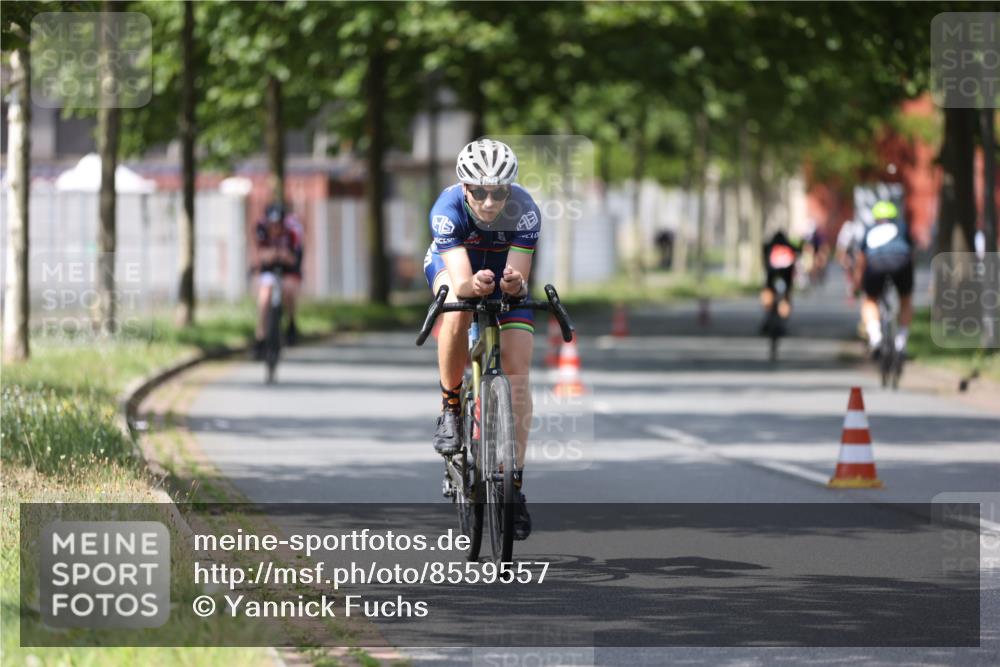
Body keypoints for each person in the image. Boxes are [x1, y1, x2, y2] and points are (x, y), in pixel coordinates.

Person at [424, 139, 539, 540]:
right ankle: (451, 406)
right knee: (455, 303)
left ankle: (515, 488)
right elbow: (461, 280)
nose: (489, 202)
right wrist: (472, 284)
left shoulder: (525, 210)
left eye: (498, 192)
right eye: (480, 192)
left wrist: (511, 283)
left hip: (499, 267)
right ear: (464, 187)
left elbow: (518, 279)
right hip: (456, 265)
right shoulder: (447, 209)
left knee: (518, 371)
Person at [853, 200, 914, 359]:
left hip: (876, 264)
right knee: (905, 299)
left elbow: (862, 259)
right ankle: (901, 341)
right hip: (901, 263)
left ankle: (875, 337)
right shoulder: (902, 228)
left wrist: (858, 281)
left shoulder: (870, 230)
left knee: (870, 300)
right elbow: (911, 253)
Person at [252, 202, 303, 358]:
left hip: (288, 269)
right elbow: (260, 254)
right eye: (272, 225)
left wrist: (280, 255)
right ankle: (260, 337)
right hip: (269, 268)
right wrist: (274, 255)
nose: (274, 228)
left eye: (277, 225)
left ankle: (291, 323)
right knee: (264, 297)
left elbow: (294, 259)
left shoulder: (292, 232)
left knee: (289, 289)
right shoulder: (261, 230)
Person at [760, 229, 800, 333]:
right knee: (785, 297)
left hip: (772, 278)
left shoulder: (769, 247)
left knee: (768, 293)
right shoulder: (789, 246)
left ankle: (769, 316)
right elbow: (798, 251)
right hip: (785, 279)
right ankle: (781, 320)